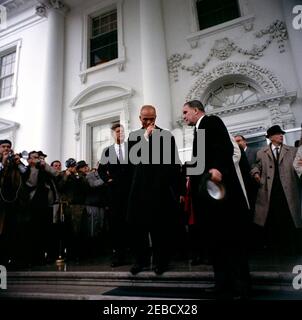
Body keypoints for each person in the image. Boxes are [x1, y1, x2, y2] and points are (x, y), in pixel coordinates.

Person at [182, 100, 251, 299]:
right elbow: (199, 161)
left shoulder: (211, 122)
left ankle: (241, 287)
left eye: (186, 112)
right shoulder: (198, 130)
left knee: (231, 242)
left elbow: (224, 148)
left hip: (222, 196)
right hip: (209, 198)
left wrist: (218, 168)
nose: (184, 116)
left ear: (196, 111)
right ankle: (222, 284)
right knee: (216, 243)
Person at [127, 105, 182, 275]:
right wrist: (145, 138)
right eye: (145, 119)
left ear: (156, 117)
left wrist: (179, 190)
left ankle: (161, 261)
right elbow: (132, 161)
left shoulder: (166, 136)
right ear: (140, 118)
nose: (149, 122)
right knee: (138, 229)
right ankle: (140, 261)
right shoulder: (133, 137)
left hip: (161, 189)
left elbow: (174, 164)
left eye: (152, 119)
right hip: (139, 190)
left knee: (160, 229)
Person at [252, 125, 302, 255]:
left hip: (289, 191)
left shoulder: (292, 150)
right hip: (269, 192)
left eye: (282, 134)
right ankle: (277, 248)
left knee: (290, 218)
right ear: (271, 137)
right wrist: (256, 173)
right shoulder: (261, 152)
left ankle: (293, 248)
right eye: (278, 134)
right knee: (273, 219)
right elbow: (255, 166)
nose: (281, 136)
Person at [98, 123, 131, 267]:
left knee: (131, 223)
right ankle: (118, 256)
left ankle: (136, 255)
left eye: (122, 131)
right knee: (116, 225)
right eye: (117, 131)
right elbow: (100, 170)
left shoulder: (132, 149)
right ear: (113, 134)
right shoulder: (107, 151)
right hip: (114, 194)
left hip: (130, 192)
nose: (120, 133)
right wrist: (107, 180)